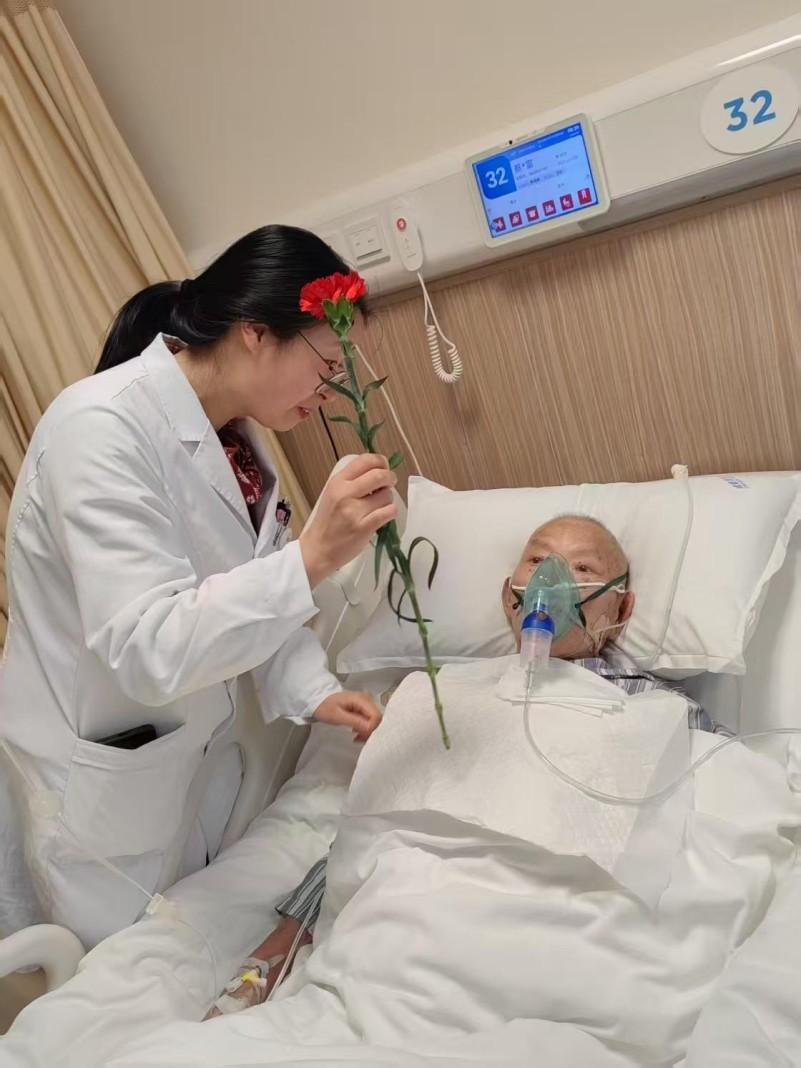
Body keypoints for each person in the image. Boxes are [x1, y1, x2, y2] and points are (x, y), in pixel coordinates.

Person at [0, 225, 394, 948]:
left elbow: (245, 584)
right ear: (256, 333)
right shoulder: (99, 427)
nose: (331, 389)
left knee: (182, 956)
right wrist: (312, 558)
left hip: (186, 761)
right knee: (110, 979)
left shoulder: (235, 442)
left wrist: (312, 688)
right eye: (326, 364)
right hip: (100, 782)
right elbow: (147, 647)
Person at [206, 514, 728, 1015]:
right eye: (538, 561)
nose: (552, 579)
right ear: (508, 595)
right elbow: (366, 836)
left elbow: (724, 819)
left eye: (583, 568)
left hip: (558, 944)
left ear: (622, 607)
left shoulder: (659, 709)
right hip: (404, 938)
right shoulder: (437, 697)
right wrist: (260, 969)